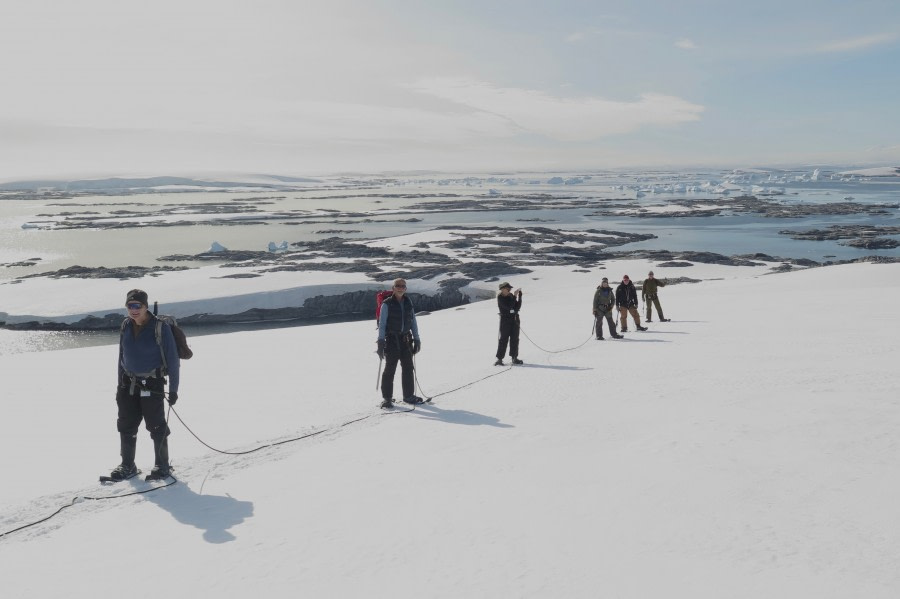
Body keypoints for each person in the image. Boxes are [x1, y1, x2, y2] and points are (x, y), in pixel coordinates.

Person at [111, 289, 180, 481]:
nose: (133, 310)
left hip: (152, 383)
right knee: (126, 424)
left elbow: (173, 360)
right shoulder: (125, 325)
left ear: (145, 307)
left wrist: (174, 390)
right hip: (128, 384)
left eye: (137, 306)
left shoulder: (159, 327)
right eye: (130, 306)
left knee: (156, 425)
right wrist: (119, 384)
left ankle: (162, 465)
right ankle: (127, 465)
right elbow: (121, 356)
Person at [377, 278, 422, 408]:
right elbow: (382, 324)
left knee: (408, 368)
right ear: (393, 288)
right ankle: (387, 398)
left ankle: (408, 396)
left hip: (406, 340)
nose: (400, 288)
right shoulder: (386, 304)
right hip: (391, 341)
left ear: (405, 288)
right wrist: (380, 342)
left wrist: (417, 339)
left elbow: (413, 321)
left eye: (402, 286)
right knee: (390, 370)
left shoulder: (408, 302)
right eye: (398, 285)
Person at [494, 281, 523, 365]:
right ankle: (499, 359)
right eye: (508, 288)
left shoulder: (510, 296)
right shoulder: (500, 298)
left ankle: (514, 358)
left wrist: (519, 297)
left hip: (514, 319)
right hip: (505, 321)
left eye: (510, 288)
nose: (510, 289)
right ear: (502, 289)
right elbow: (509, 307)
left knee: (515, 338)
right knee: (503, 339)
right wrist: (514, 296)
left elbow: (517, 307)